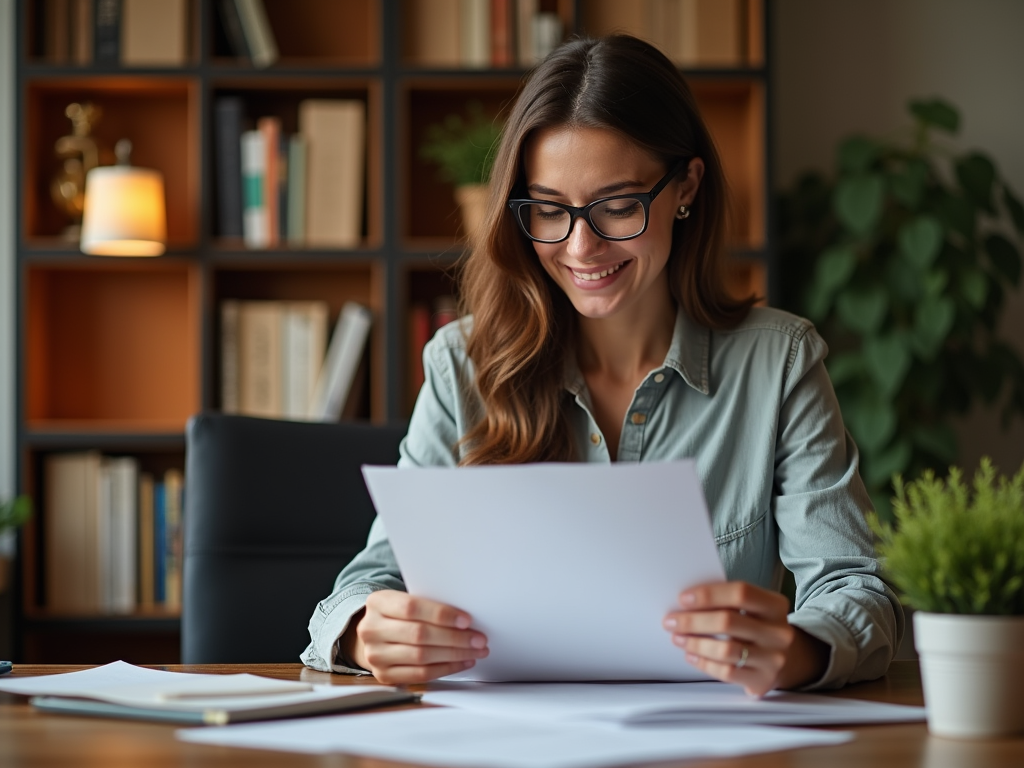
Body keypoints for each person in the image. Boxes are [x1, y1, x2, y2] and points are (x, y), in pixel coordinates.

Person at [301, 34, 904, 696]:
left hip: (714, 743)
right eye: (550, 211)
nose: (581, 246)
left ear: (686, 188)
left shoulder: (779, 363)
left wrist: (796, 649)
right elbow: (366, 583)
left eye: (618, 205)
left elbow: (857, 587)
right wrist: (365, 631)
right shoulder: (462, 364)